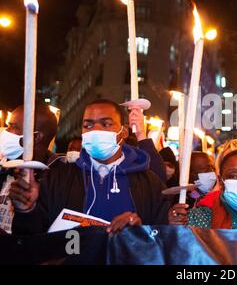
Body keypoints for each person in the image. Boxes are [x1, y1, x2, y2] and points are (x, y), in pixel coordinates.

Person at [9, 99, 171, 236]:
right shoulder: (58, 178)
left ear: (124, 132)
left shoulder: (149, 183)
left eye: (106, 124)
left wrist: (138, 233)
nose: (95, 130)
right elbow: (32, 239)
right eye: (88, 125)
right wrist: (27, 211)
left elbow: (162, 238)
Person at [0, 104, 59, 234]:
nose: (6, 132)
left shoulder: (58, 181)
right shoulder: (4, 168)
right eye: (8, 125)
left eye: (13, 127)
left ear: (36, 137)